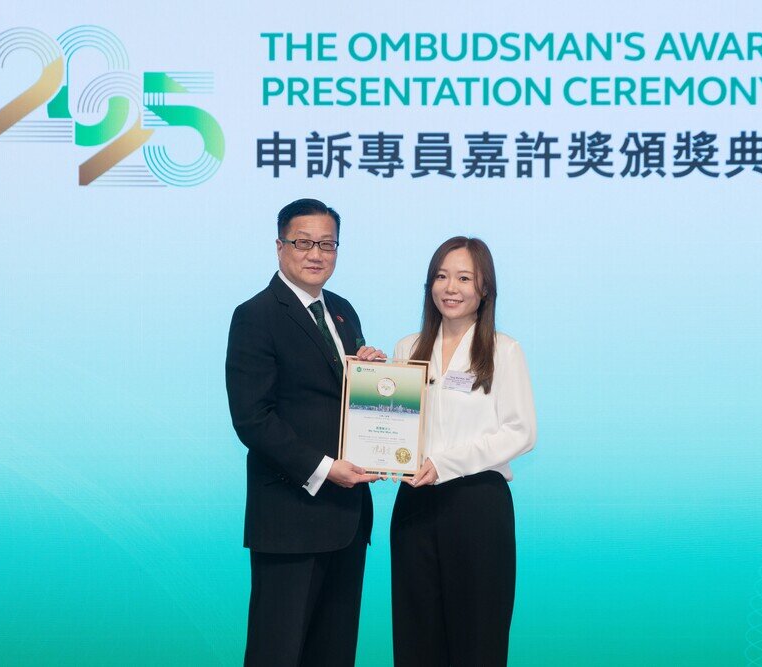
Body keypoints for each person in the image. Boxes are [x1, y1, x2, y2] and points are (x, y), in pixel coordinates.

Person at [226, 198, 384, 667]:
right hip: (290, 517)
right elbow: (252, 418)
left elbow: (342, 398)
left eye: (327, 244)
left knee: (334, 652)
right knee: (277, 652)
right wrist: (324, 469)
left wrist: (371, 374)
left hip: (347, 517)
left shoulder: (343, 311)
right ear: (280, 247)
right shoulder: (255, 315)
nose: (316, 254)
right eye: (303, 243)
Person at [391, 236, 536, 667]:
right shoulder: (407, 348)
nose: (450, 288)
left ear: (484, 289)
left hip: (477, 506)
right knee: (416, 635)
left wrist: (445, 463)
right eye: (441, 276)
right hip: (415, 503)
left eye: (464, 278)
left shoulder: (504, 350)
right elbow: (394, 423)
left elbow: (521, 432)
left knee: (478, 636)